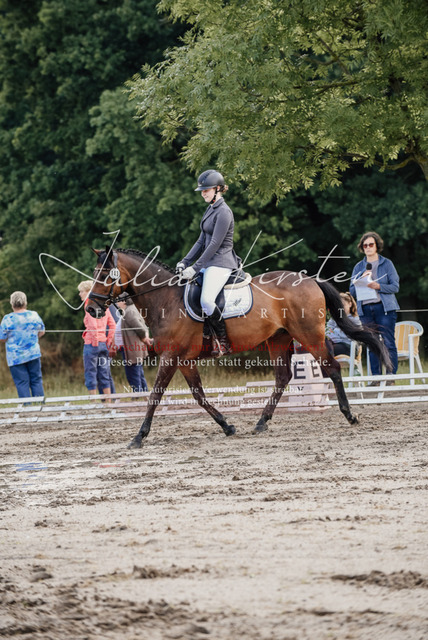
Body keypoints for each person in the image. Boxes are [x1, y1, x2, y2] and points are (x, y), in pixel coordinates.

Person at [176, 169, 241, 357]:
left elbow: (214, 244)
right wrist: (185, 261)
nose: (203, 193)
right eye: (202, 191)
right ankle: (203, 333)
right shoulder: (211, 209)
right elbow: (201, 241)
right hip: (208, 263)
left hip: (221, 262)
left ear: (218, 189)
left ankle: (223, 341)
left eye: (206, 190)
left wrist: (195, 268)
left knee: (206, 300)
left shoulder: (224, 212)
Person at [350, 231, 399, 383]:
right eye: (365, 245)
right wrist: (361, 279)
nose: (368, 247)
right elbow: (352, 291)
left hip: (384, 308)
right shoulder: (358, 267)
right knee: (372, 344)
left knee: (388, 342)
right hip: (365, 310)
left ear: (377, 246)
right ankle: (375, 377)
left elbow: (395, 287)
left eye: (371, 244)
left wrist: (379, 286)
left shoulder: (387, 264)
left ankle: (391, 375)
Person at [0, 291, 45, 399]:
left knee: (22, 382)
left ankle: (27, 406)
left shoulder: (8, 319)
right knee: (36, 380)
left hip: (15, 357)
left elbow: (2, 338)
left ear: (12, 303)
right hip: (33, 354)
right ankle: (39, 405)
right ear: (25, 302)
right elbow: (42, 332)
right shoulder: (34, 315)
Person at [78, 280, 116, 400]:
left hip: (92, 343)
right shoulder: (104, 306)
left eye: (81, 291)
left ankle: (93, 402)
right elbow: (112, 324)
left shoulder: (89, 304)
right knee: (104, 373)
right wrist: (108, 340)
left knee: (90, 373)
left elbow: (93, 325)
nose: (79, 294)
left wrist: (95, 342)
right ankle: (108, 401)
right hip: (103, 343)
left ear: (88, 292)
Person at [112, 295, 152, 392]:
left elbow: (140, 328)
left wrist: (144, 338)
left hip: (132, 350)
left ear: (124, 301)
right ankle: (145, 396)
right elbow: (144, 326)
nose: (117, 302)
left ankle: (138, 396)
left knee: (133, 376)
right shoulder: (132, 309)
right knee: (139, 374)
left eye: (118, 300)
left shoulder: (129, 312)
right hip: (135, 349)